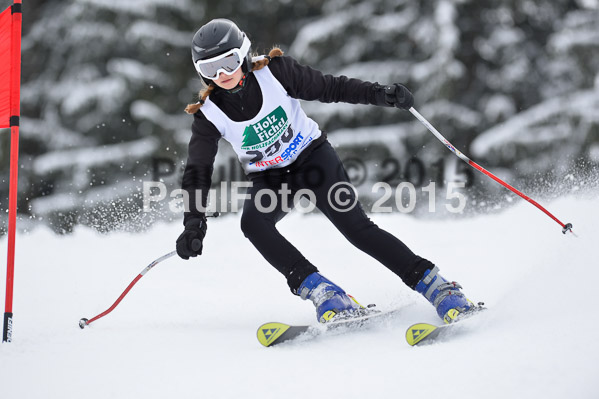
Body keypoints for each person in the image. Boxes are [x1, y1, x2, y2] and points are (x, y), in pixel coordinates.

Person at [176, 18, 476, 324]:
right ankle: (324, 292)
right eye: (210, 69)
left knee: (357, 230)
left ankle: (437, 286)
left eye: (228, 62)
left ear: (243, 54)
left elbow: (331, 87)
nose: (222, 74)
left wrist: (380, 94)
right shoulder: (208, 115)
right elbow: (197, 171)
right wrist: (193, 222)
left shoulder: (275, 73)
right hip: (272, 179)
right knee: (254, 224)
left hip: (313, 160)